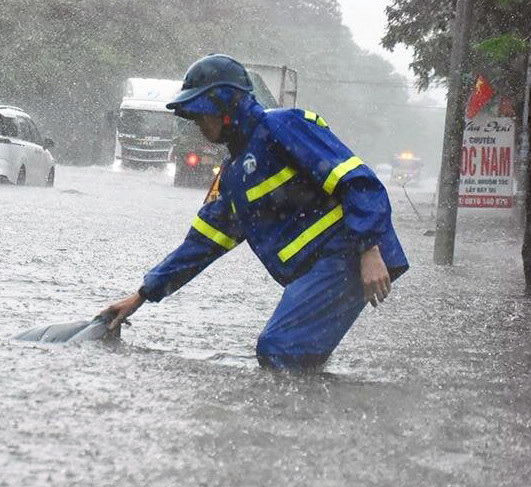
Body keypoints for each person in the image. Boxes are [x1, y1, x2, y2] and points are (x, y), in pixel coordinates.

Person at [101, 54, 408, 370]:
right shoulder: (234, 175)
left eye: (201, 112)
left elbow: (358, 182)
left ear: (225, 105)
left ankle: (300, 414)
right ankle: (321, 410)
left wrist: (369, 250)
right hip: (327, 265)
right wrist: (141, 295)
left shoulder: (283, 127)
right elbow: (201, 245)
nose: (197, 122)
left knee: (280, 348)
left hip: (349, 256)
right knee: (293, 355)